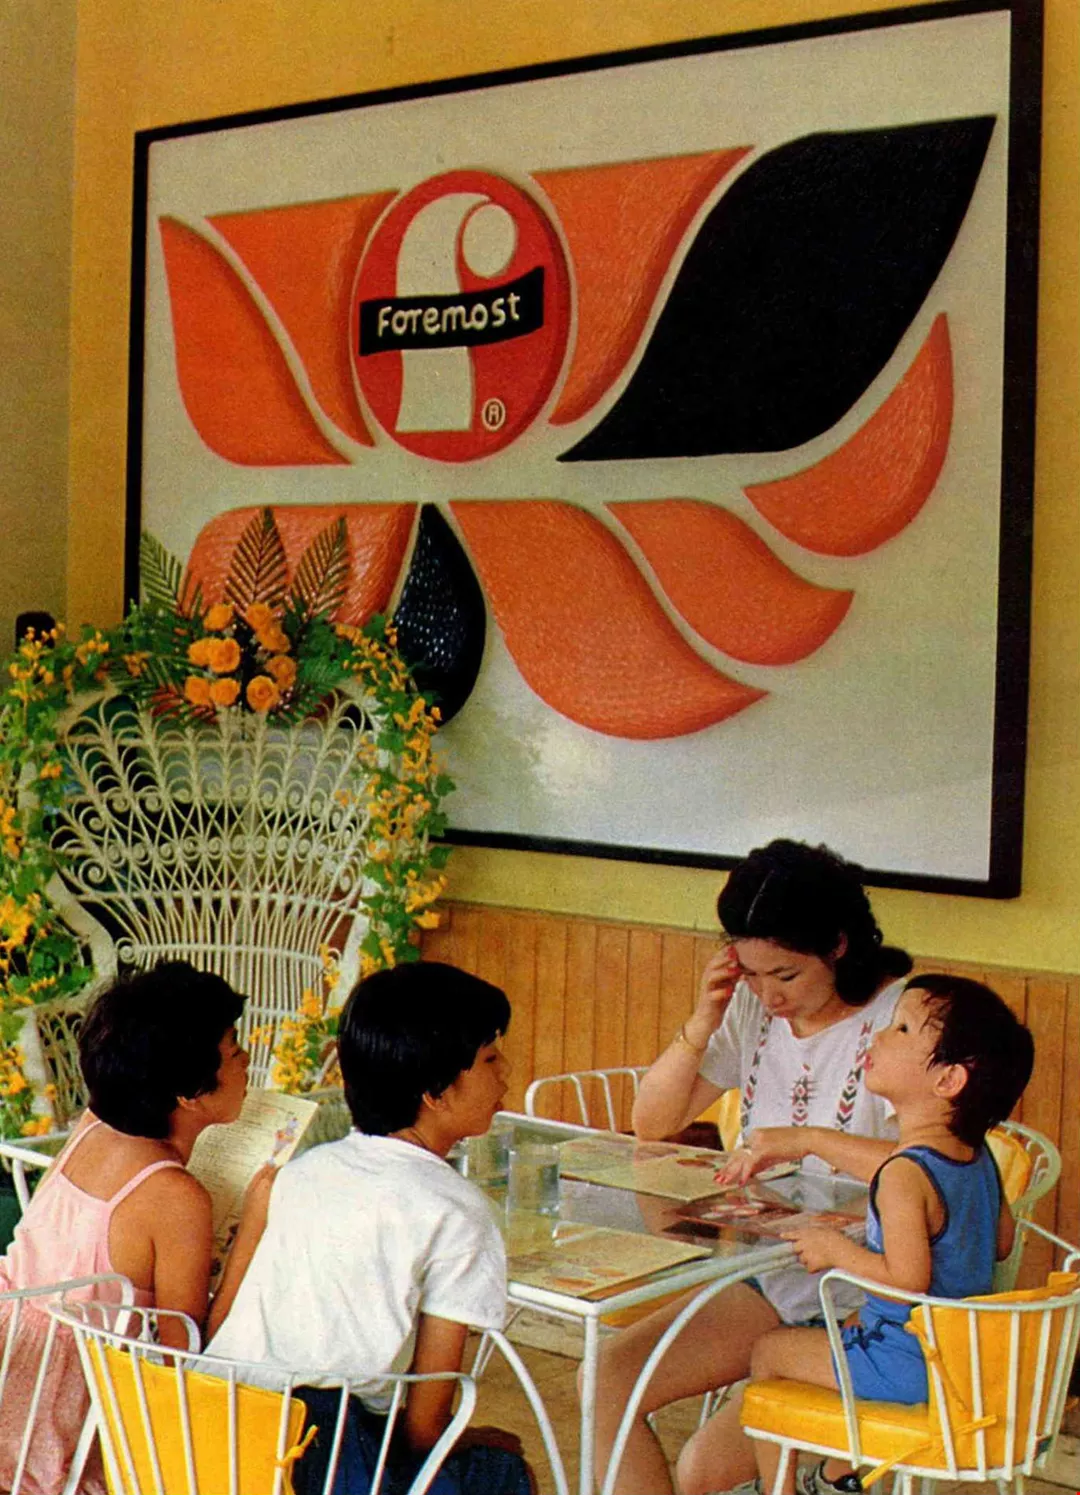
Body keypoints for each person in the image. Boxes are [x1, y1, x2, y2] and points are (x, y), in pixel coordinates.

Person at [595, 839, 913, 1495]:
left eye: (786, 975)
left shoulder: (905, 1020)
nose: (768, 994)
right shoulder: (750, 1006)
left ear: (838, 945)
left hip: (869, 1302)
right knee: (606, 1380)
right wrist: (703, 1018)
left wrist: (810, 1140)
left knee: (703, 1471)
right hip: (773, 1279)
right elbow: (652, 1122)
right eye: (751, 973)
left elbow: (937, 1170)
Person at [208, 960, 533, 1495]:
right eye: (490, 1059)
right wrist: (475, 1441)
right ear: (436, 1092)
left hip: (206, 1437)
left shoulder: (303, 1171)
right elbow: (425, 1429)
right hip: (315, 1462)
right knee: (503, 1470)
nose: (507, 1073)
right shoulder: (459, 1212)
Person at [741, 973, 1033, 1495]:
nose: (878, 1035)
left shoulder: (902, 1174)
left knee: (769, 1351)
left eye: (901, 1029)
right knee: (849, 1326)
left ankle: (779, 1490)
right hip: (962, 1358)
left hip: (909, 1361)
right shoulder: (979, 1156)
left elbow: (906, 1282)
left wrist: (836, 1250)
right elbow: (1001, 1242)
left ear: (948, 1080)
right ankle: (835, 1480)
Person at [0, 961, 250, 1495]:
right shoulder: (176, 1195)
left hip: (11, 1353)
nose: (247, 1060)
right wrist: (252, 1232)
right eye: (234, 1051)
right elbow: (182, 1355)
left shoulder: (94, 1126)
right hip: (53, 1409)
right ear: (189, 1092)